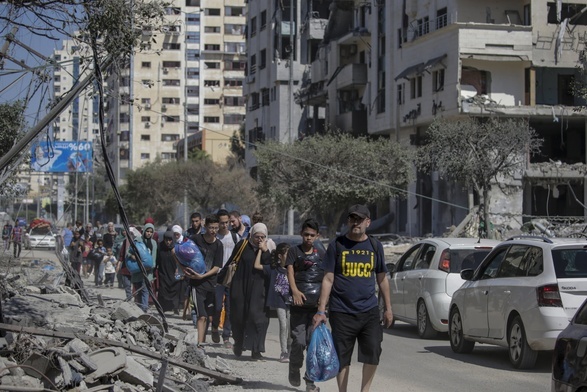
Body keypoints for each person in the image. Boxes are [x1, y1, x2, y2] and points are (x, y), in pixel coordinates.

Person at [312, 205, 393, 392]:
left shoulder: (375, 246)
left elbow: (382, 278)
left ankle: (365, 390)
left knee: (373, 352)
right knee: (342, 357)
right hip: (342, 311)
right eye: (352, 219)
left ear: (368, 222)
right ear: (348, 221)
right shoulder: (337, 245)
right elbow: (328, 278)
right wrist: (321, 310)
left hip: (369, 311)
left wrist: (388, 308)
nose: (355, 223)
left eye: (359, 219)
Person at [287, 218, 324, 392]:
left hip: (316, 308)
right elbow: (290, 271)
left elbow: (328, 277)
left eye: (312, 235)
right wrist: (294, 291)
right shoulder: (294, 251)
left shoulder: (322, 254)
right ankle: (294, 367)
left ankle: (310, 382)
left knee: (313, 344)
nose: (308, 238)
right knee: (299, 341)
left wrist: (324, 302)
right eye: (306, 234)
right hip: (298, 306)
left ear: (317, 236)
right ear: (301, 234)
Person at [229, 222, 275, 360]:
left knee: (259, 318)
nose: (259, 239)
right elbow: (232, 261)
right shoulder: (243, 245)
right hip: (240, 285)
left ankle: (256, 349)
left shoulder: (269, 248)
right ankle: (238, 343)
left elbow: (270, 268)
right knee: (239, 316)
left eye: (262, 237)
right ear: (251, 235)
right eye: (257, 236)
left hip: (259, 288)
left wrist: (264, 250)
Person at [187, 215, 223, 346]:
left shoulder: (219, 244)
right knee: (201, 315)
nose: (213, 230)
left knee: (209, 315)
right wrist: (185, 270)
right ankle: (200, 344)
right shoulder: (195, 240)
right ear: (205, 227)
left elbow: (217, 267)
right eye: (211, 227)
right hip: (197, 285)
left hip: (211, 284)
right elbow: (181, 253)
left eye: (216, 228)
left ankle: (204, 337)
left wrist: (203, 275)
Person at [254, 242, 291, 363]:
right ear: (280, 256)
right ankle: (284, 351)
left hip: (291, 302)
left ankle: (290, 350)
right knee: (283, 325)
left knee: (290, 327)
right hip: (279, 302)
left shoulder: (292, 269)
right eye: (287, 254)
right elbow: (257, 265)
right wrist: (260, 250)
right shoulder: (273, 269)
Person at [211, 209, 239, 349]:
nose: (224, 225)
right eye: (221, 223)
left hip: (231, 277)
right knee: (217, 306)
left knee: (229, 308)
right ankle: (215, 327)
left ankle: (226, 336)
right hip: (216, 276)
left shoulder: (235, 238)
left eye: (226, 222)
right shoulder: (215, 238)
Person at [156, 231, 185, 314]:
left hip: (173, 273)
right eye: (166, 240)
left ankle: (175, 307)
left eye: (170, 240)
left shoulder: (176, 248)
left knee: (175, 289)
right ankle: (162, 309)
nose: (168, 242)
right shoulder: (160, 248)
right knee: (163, 290)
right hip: (163, 273)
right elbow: (157, 259)